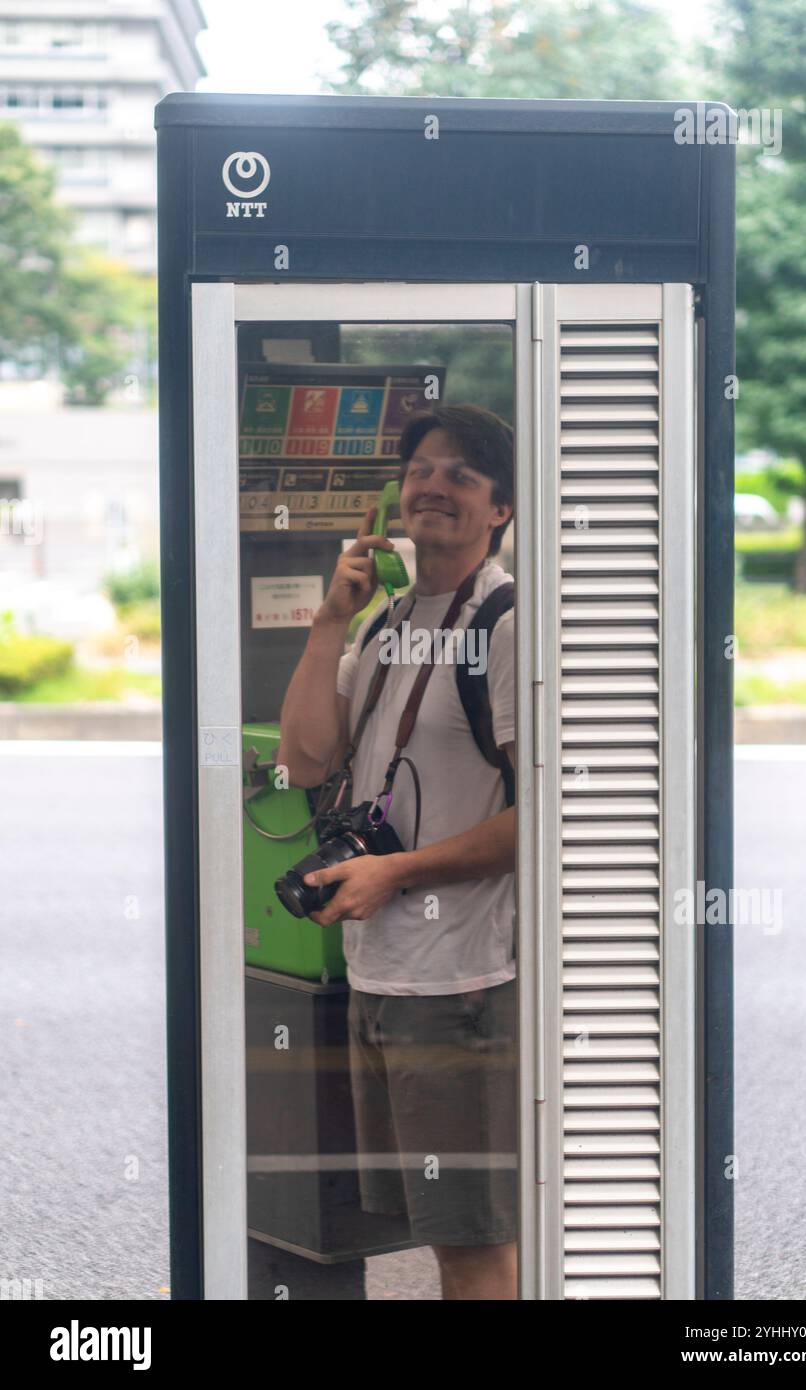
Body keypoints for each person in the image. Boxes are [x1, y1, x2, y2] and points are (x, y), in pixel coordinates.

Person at [277, 403, 517, 1300]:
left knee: (472, 1244)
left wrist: (396, 871)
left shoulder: (504, 623)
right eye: (420, 469)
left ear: (500, 508)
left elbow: (548, 820)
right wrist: (331, 620)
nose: (433, 486)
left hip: (459, 986)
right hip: (381, 975)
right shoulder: (384, 624)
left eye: (462, 474)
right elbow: (303, 758)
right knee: (443, 1235)